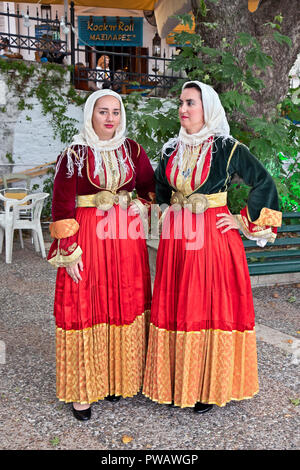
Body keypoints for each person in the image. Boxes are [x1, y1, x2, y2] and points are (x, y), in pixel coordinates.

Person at [142, 80, 282, 413]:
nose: (183, 109)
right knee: (178, 303)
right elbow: (160, 189)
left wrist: (241, 220)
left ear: (208, 108)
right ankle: (178, 379)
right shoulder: (170, 149)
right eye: (181, 103)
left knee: (204, 307)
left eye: (191, 103)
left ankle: (206, 385)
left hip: (211, 237)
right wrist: (159, 209)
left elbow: (264, 181)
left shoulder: (227, 147)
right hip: (177, 238)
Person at [47, 89, 155, 421]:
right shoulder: (74, 154)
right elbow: (62, 203)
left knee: (123, 300)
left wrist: (142, 203)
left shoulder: (132, 148)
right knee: (86, 302)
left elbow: (151, 185)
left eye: (115, 112)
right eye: (103, 112)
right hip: (89, 235)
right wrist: (69, 248)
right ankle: (83, 390)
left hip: (125, 237)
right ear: (90, 115)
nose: (110, 118)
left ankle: (117, 379)